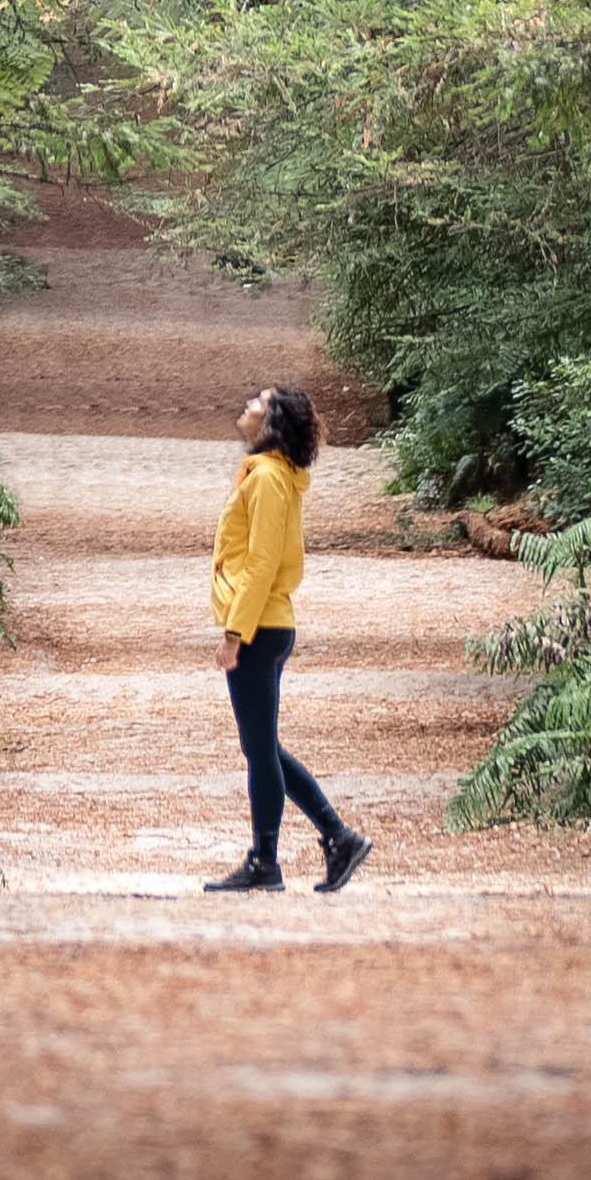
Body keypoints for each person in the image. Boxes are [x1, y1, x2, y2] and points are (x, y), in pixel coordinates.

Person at [206, 377, 370, 895]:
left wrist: (235, 631)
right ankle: (333, 840)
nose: (248, 402)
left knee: (260, 749)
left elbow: (261, 562)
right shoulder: (268, 475)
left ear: (272, 423)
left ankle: (271, 860)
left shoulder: (270, 480)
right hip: (267, 624)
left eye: (260, 401)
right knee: (264, 748)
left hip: (261, 627)